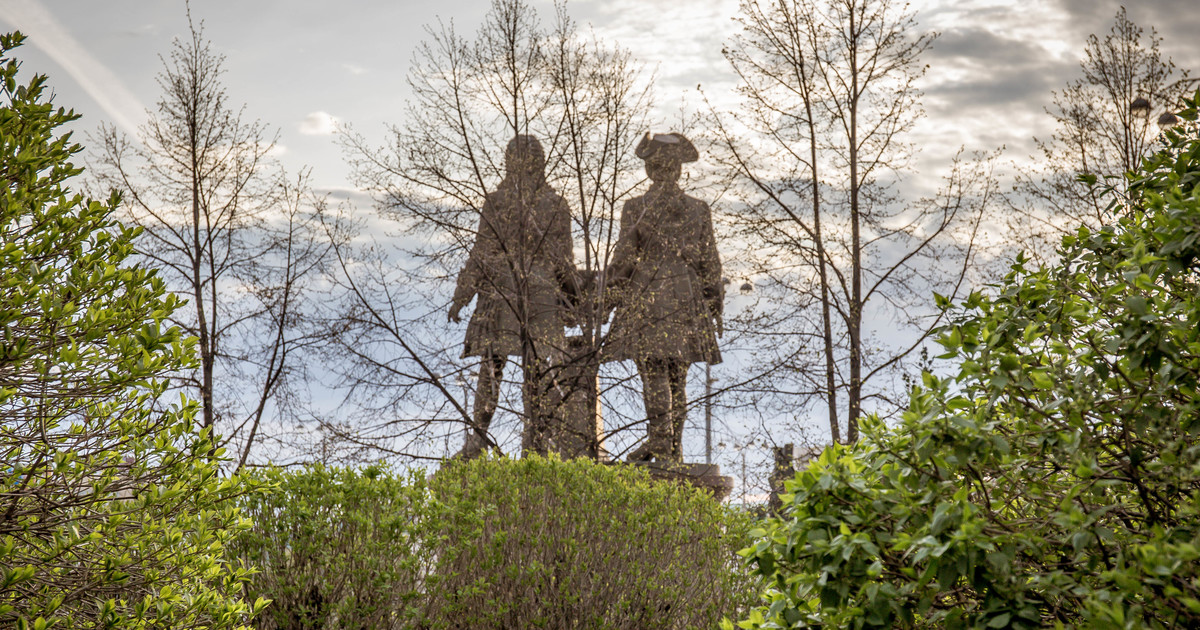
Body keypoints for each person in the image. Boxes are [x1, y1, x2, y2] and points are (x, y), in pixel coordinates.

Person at [449, 135, 576, 458]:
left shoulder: (500, 201)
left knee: (493, 369)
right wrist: (575, 299)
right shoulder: (555, 204)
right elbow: (565, 262)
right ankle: (536, 445)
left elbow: (482, 252)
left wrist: (462, 296)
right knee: (536, 372)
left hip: (504, 292)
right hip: (536, 292)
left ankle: (480, 440)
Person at [606, 132, 723, 463]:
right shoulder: (698, 210)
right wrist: (715, 306)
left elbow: (624, 261)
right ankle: (672, 448)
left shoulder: (635, 208)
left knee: (654, 373)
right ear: (678, 170)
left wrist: (609, 298)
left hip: (648, 294)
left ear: (650, 170)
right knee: (677, 377)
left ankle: (661, 447)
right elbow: (709, 263)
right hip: (687, 297)